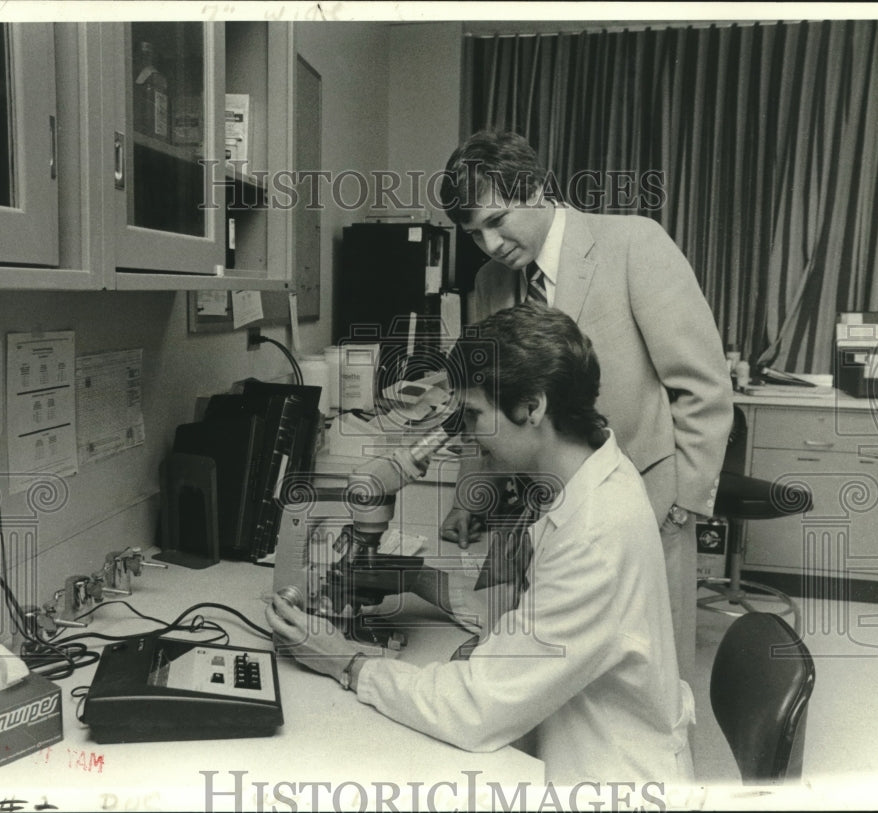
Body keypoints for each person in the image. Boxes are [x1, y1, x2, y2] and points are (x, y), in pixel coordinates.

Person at [267, 304, 695, 785]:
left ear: (532, 407)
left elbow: (478, 707)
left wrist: (343, 660)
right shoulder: (594, 476)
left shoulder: (596, 534)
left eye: (473, 415)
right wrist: (414, 578)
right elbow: (530, 614)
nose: (466, 436)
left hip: (608, 779)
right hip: (573, 741)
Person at [436, 131, 734, 684]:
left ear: (538, 186)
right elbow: (489, 398)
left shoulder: (633, 244)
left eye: (498, 220)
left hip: (644, 501)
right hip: (539, 509)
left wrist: (680, 505)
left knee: (645, 677)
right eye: (474, 233)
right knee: (546, 682)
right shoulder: (488, 282)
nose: (491, 244)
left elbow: (703, 387)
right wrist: (470, 493)